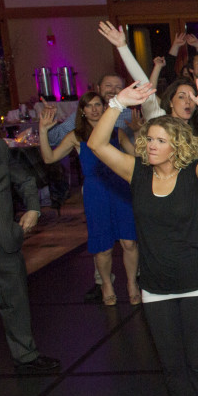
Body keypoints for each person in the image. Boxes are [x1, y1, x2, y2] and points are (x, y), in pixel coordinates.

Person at [88, 77, 198, 396]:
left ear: (176, 146)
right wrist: (117, 102)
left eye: (158, 141)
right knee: (171, 363)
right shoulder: (137, 174)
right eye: (148, 139)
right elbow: (96, 143)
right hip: (156, 286)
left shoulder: (193, 176)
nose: (149, 145)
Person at [38, 92, 139, 305]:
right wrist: (43, 130)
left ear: (104, 109)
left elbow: (138, 159)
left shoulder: (117, 132)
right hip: (96, 192)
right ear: (82, 111)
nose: (94, 109)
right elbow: (49, 158)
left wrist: (138, 133)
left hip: (120, 188)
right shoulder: (76, 136)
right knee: (104, 246)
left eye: (98, 105)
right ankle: (107, 285)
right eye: (89, 106)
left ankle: (132, 283)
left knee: (129, 241)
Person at [0, 137, 60, 374]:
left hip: (2, 240)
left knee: (15, 303)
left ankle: (26, 356)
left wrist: (33, 207)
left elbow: (24, 179)